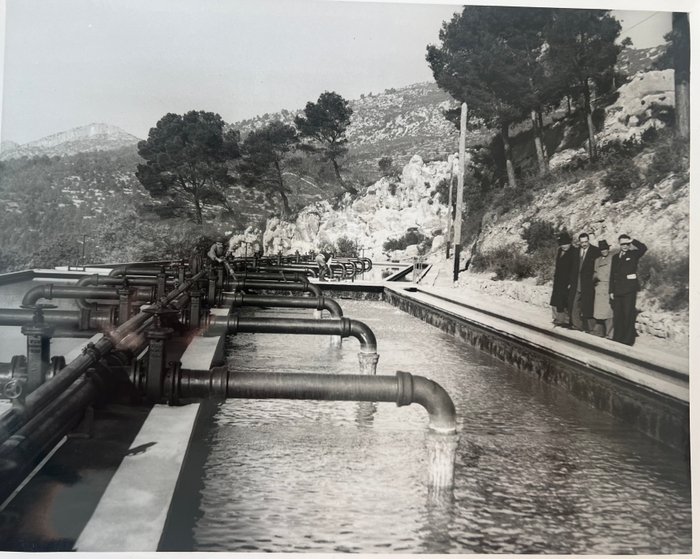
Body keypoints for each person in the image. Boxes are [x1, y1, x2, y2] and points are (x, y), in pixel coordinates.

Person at [610, 235, 647, 346]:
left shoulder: (633, 254)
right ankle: (618, 338)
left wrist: (633, 240)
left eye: (627, 244)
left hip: (629, 290)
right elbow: (612, 275)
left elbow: (643, 248)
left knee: (628, 314)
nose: (625, 246)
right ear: (619, 244)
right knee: (618, 315)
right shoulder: (615, 257)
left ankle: (627, 340)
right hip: (617, 290)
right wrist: (611, 290)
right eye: (622, 244)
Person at [568, 232, 600, 332]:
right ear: (579, 242)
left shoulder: (595, 251)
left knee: (588, 305)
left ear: (588, 241)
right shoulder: (576, 251)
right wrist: (570, 281)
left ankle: (591, 328)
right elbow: (572, 267)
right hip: (576, 283)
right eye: (582, 242)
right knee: (574, 304)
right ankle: (577, 325)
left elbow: (598, 267)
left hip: (588, 284)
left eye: (586, 241)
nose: (584, 244)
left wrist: (595, 279)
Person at [549, 232, 575, 327]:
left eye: (566, 244)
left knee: (566, 301)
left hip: (567, 281)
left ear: (570, 243)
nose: (564, 246)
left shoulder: (574, 251)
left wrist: (571, 282)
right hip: (559, 280)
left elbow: (574, 269)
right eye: (562, 244)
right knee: (557, 300)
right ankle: (558, 319)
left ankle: (567, 320)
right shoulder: (560, 251)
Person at [592, 240, 614, 338]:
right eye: (602, 249)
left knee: (608, 312)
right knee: (599, 312)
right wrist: (594, 277)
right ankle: (599, 332)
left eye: (605, 249)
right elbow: (595, 272)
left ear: (608, 249)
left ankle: (610, 333)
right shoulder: (597, 260)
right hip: (599, 287)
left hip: (608, 286)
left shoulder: (612, 258)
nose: (604, 251)